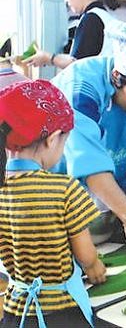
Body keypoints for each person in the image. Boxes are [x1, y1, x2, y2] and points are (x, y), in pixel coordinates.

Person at [51, 29, 126, 254]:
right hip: (59, 196)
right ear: (117, 77)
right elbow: (87, 161)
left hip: (111, 198)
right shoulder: (81, 86)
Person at [0, 80, 106, 328]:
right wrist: (95, 268)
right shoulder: (64, 189)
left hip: (15, 311)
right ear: (53, 139)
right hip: (61, 314)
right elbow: (86, 256)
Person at [24, 0, 120, 69]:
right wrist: (48, 58)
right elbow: (79, 58)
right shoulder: (102, 15)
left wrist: (49, 58)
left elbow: (76, 64)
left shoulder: (91, 19)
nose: (66, 0)